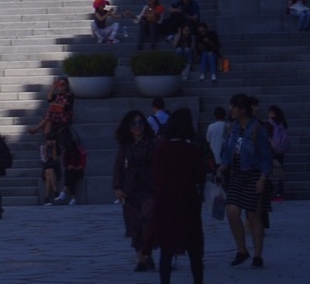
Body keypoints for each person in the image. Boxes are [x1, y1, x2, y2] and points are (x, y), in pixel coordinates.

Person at [150, 107, 207, 284]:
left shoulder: (161, 149)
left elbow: (156, 177)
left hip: (166, 203)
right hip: (188, 203)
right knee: (194, 251)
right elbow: (200, 176)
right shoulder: (192, 150)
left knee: (167, 250)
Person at [221, 92, 272, 267]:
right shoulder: (231, 127)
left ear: (243, 110)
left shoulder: (257, 128)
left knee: (253, 215)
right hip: (237, 174)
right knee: (232, 211)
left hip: (254, 174)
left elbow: (266, 156)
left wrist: (263, 178)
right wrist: (223, 166)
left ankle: (258, 255)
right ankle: (242, 250)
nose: (231, 110)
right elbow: (228, 150)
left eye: (234, 107)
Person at [113, 109, 158, 269]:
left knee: (147, 219)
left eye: (140, 122)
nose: (137, 126)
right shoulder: (125, 146)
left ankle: (148, 253)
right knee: (134, 224)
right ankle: (141, 258)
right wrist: (117, 187)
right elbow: (118, 167)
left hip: (149, 187)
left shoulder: (153, 143)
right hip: (130, 189)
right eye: (133, 123)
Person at [265, 106, 289, 202]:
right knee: (280, 172)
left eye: (270, 112)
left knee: (268, 172)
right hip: (281, 151)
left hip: (271, 150)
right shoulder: (282, 123)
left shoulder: (269, 124)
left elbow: (266, 137)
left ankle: (269, 192)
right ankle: (280, 193)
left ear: (273, 113)